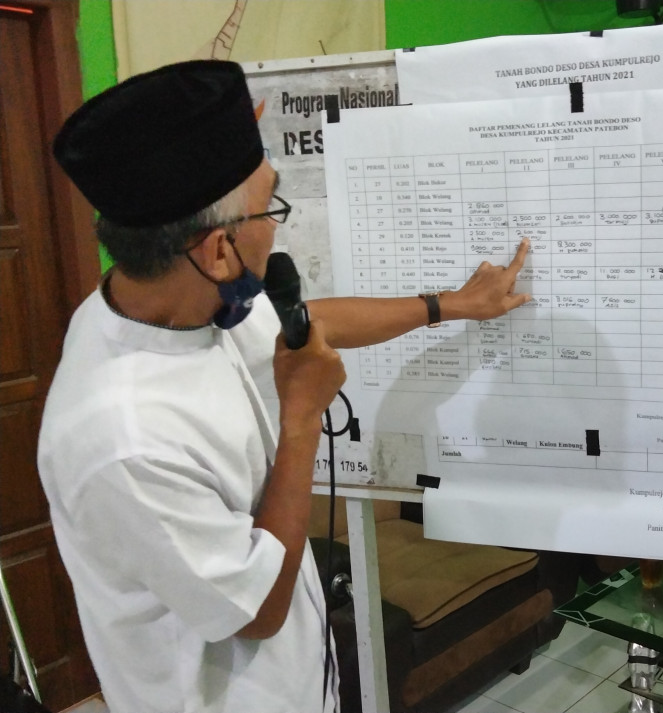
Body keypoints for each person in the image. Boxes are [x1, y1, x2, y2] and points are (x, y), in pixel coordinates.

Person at [38, 60, 530, 713]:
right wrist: (301, 419)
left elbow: (312, 322)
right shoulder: (122, 439)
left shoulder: (171, 300)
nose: (278, 225)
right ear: (217, 250)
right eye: (270, 206)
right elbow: (257, 609)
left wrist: (451, 304)